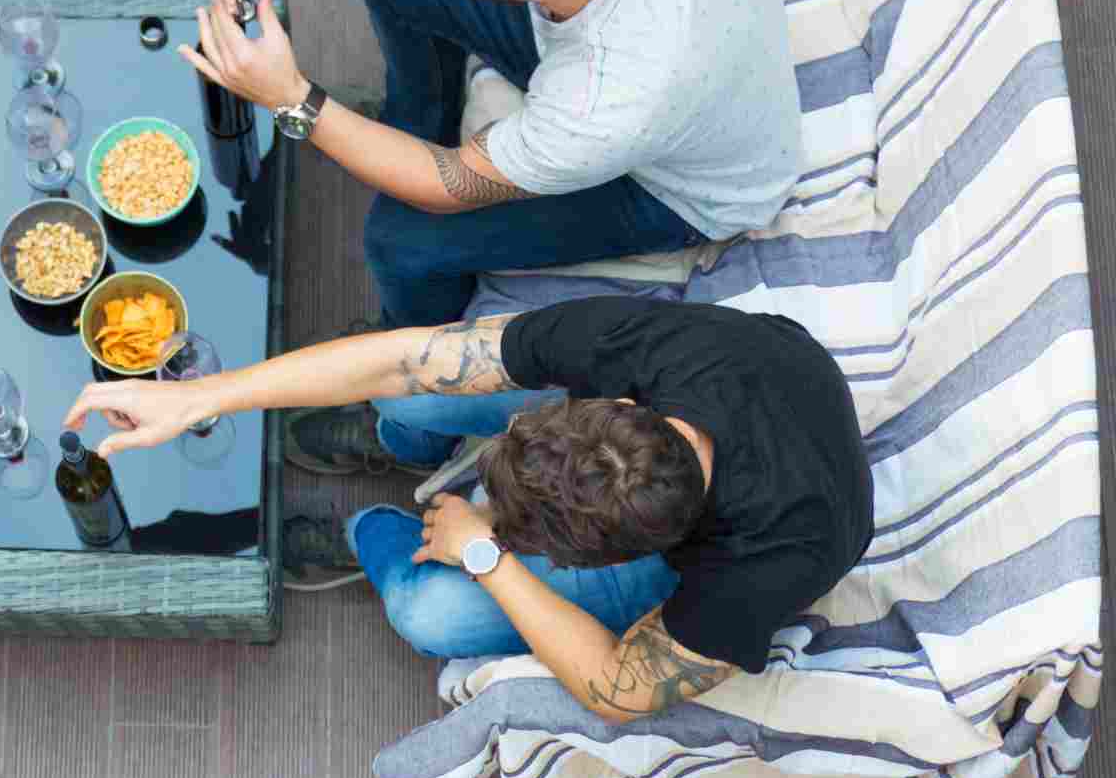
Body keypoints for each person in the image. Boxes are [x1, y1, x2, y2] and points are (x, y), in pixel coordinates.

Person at [180, 0, 804, 473]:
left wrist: (293, 102)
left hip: (680, 185)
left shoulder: (608, 96)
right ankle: (409, 118)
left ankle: (412, 422)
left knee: (403, 241)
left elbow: (447, 185)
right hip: (635, 65)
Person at [64, 298, 872, 721]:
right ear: (611, 402)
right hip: (747, 375)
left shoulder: (764, 564)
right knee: (421, 394)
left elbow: (619, 688)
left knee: (432, 616)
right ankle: (397, 439)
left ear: (621, 558)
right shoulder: (643, 344)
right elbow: (405, 356)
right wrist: (206, 394)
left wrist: (484, 552)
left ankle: (370, 534)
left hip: (750, 519)